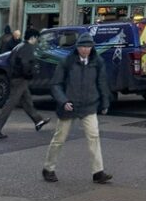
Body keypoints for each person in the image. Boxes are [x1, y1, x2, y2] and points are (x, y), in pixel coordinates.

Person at [42, 32, 112, 184]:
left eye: (88, 46)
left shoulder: (97, 62)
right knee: (59, 138)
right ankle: (48, 168)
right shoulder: (67, 61)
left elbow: (102, 83)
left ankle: (98, 172)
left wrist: (105, 102)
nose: (85, 49)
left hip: (89, 105)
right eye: (82, 46)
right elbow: (55, 84)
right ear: (77, 47)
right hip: (69, 106)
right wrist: (63, 101)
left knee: (94, 136)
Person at [0, 28, 49, 139]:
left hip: (15, 78)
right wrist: (29, 74)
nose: (37, 41)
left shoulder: (18, 47)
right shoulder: (27, 48)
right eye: (36, 38)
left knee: (27, 101)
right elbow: (26, 64)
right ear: (33, 37)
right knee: (10, 105)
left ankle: (38, 121)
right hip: (20, 79)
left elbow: (10, 60)